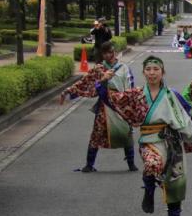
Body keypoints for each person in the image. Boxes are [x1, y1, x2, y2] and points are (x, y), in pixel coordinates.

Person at [96, 55, 192, 216]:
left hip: (172, 143)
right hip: (149, 141)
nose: (152, 73)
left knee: (175, 183)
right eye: (148, 69)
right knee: (152, 164)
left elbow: (185, 118)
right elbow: (112, 99)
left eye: (156, 69)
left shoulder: (172, 95)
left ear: (162, 72)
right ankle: (149, 190)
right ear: (143, 73)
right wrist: (103, 82)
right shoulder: (136, 94)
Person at [59, 40, 137, 172]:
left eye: (111, 52)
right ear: (102, 54)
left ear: (115, 52)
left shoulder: (124, 68)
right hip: (104, 106)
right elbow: (84, 82)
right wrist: (67, 91)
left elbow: (130, 87)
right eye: (105, 53)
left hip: (121, 105)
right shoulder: (99, 69)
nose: (109, 55)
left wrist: (130, 104)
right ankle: (89, 164)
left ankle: (131, 163)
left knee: (125, 133)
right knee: (97, 133)